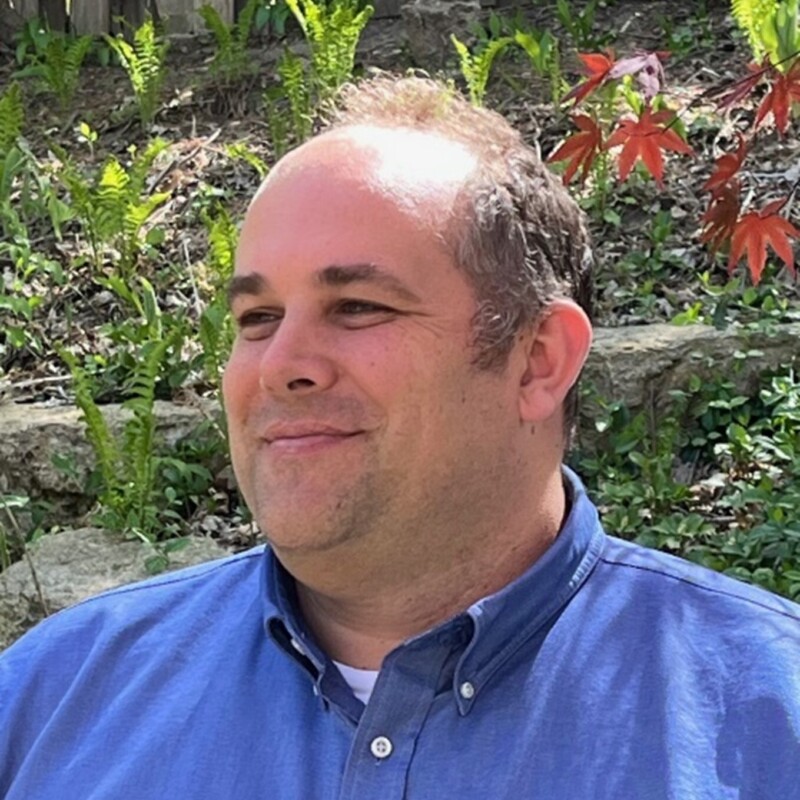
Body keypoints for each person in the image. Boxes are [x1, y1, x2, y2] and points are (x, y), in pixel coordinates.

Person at [1, 75, 799, 800]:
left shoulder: (769, 720)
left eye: (357, 307)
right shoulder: (49, 699)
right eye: (257, 319)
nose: (280, 367)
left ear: (537, 361)